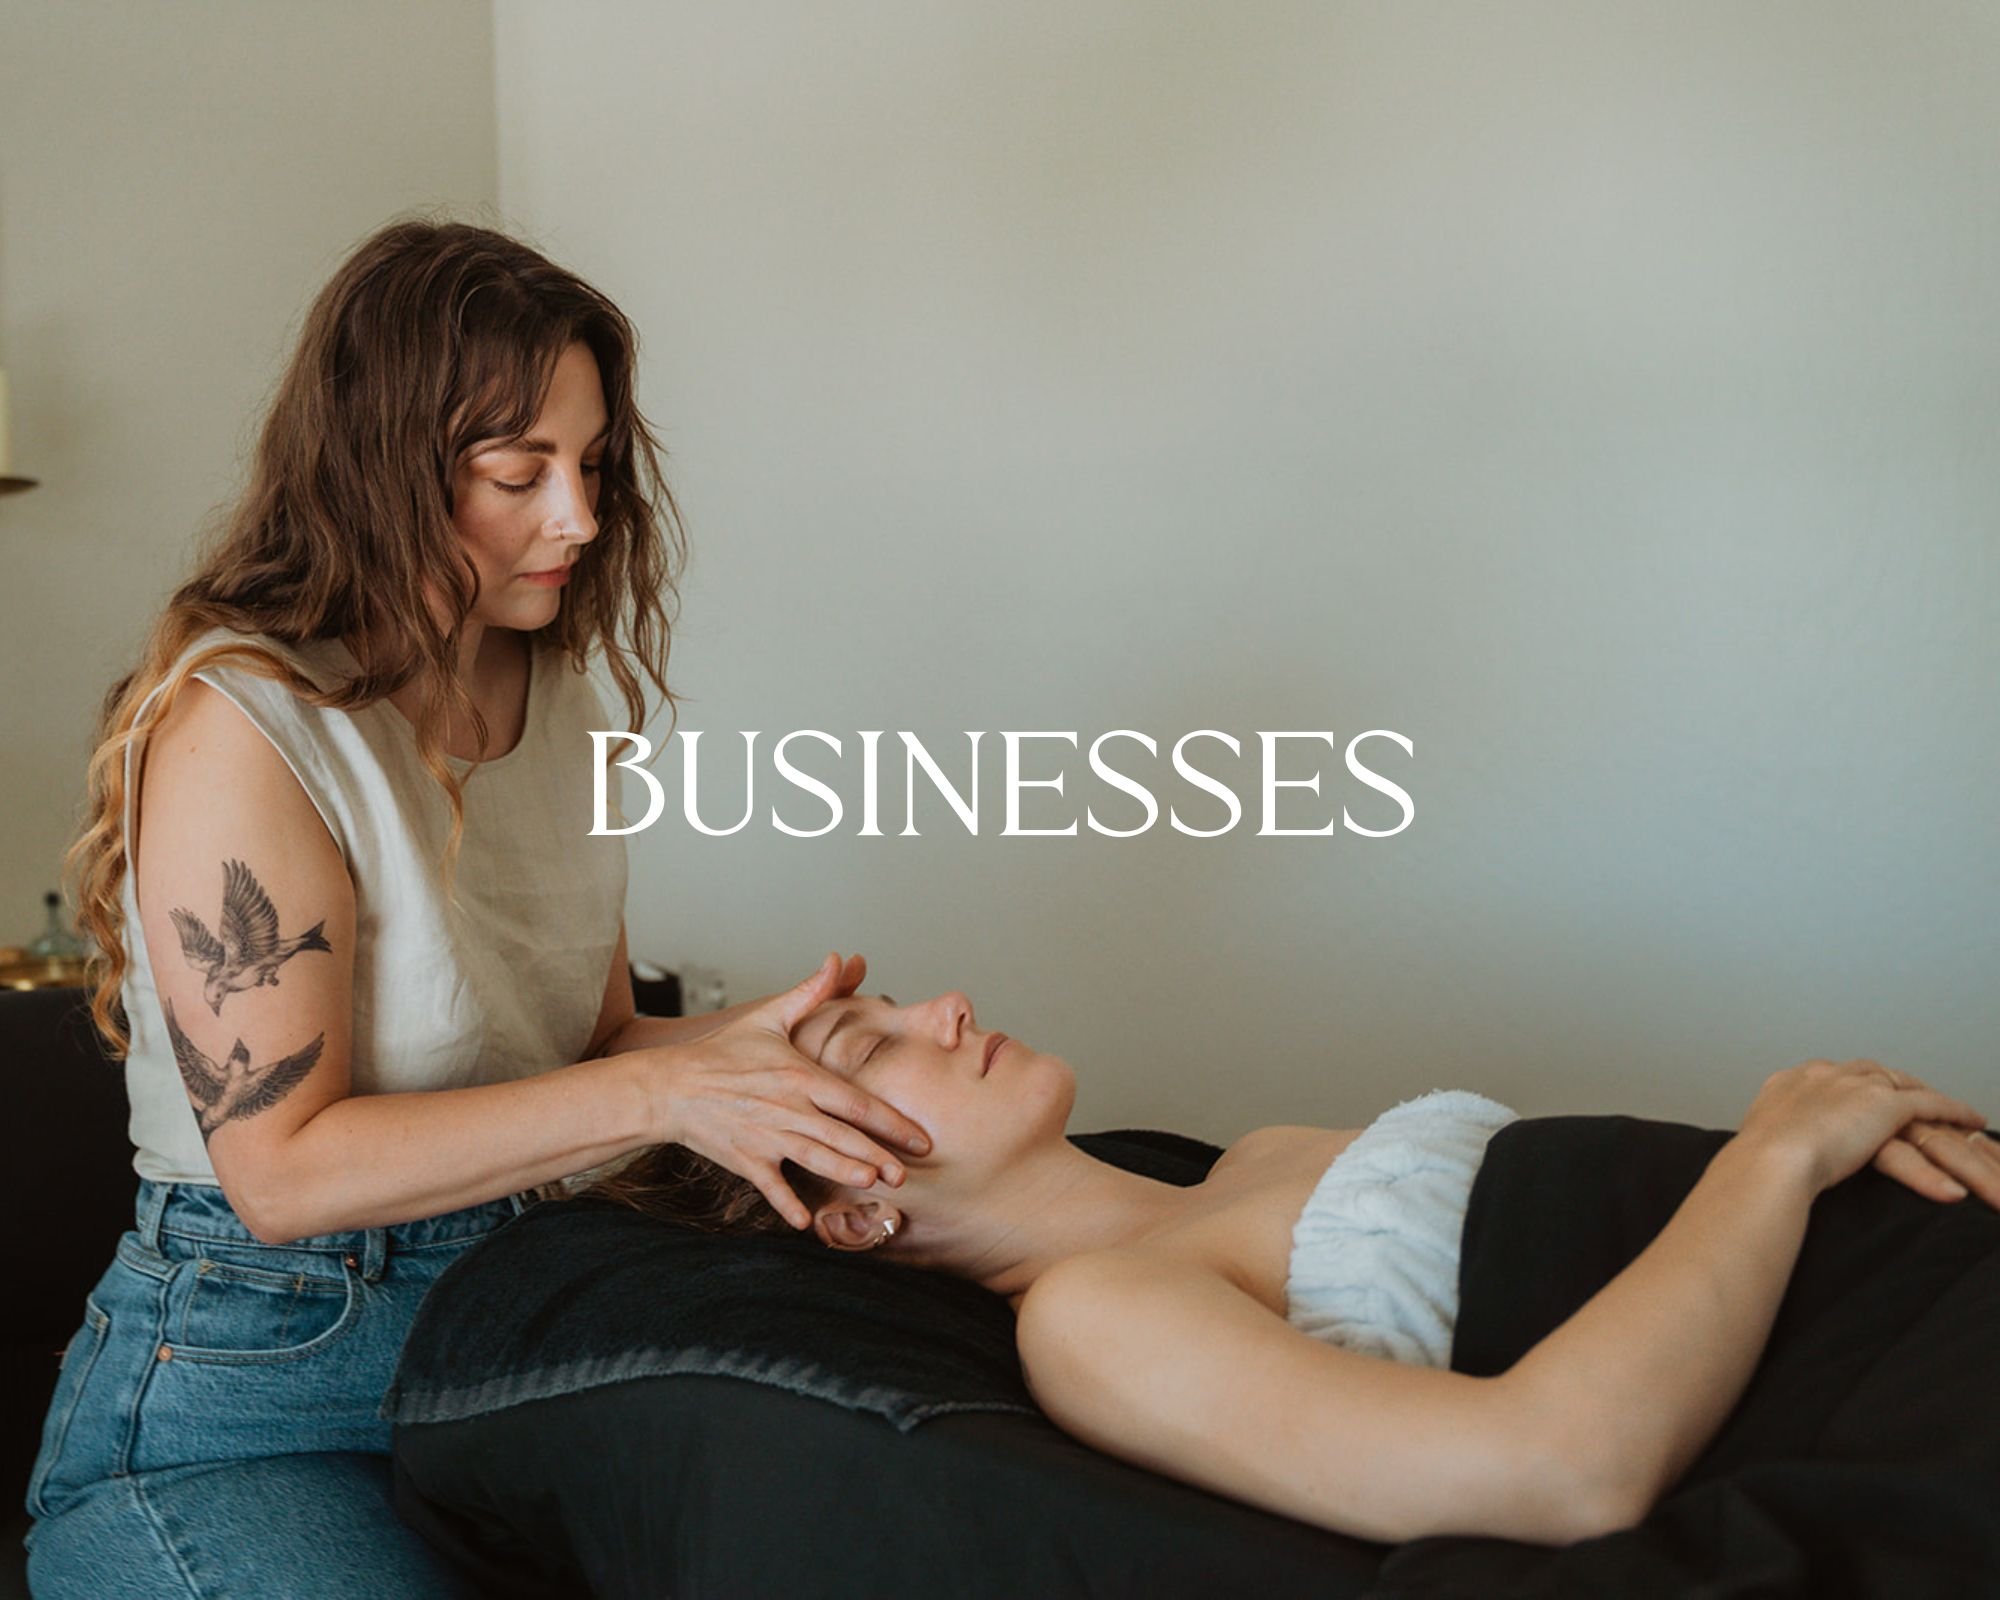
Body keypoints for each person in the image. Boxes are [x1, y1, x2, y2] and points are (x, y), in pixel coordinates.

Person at [23, 215, 933, 1599]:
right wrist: (665, 1103)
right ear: (382, 471)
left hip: (508, 1341)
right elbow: (285, 1172)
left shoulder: (550, 694)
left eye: (593, 467)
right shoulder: (243, 723)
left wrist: (801, 1056)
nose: (575, 517)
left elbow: (601, 1041)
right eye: (520, 473)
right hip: (248, 1392)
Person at [577, 987, 2000, 1548]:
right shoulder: (1096, 1320)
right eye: (873, 1046)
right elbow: (1560, 1471)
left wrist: (1839, 1144)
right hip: (1890, 1384)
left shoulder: (1248, 1154)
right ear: (855, 1215)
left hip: (1908, 1249)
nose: (943, 1005)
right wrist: (1776, 1154)